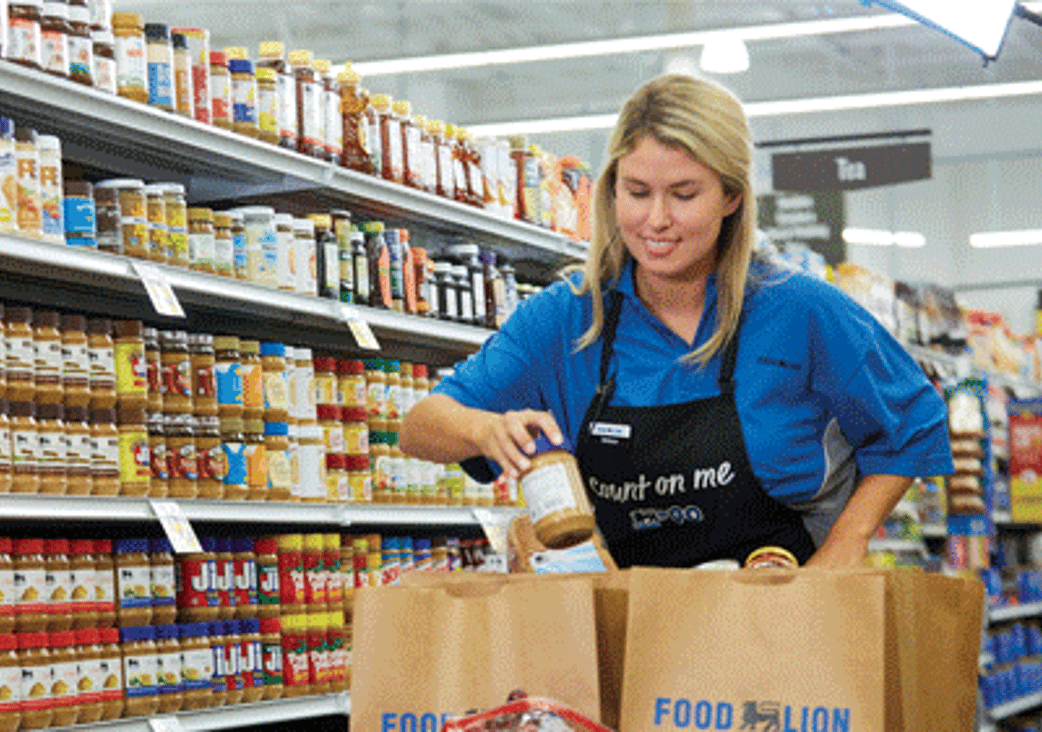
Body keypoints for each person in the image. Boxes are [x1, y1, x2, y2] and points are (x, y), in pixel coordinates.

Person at [400, 73, 953, 569]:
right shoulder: (568, 318)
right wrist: (482, 428)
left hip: (785, 626)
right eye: (636, 192)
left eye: (684, 194)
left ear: (732, 195)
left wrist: (847, 543)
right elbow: (419, 426)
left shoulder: (800, 310)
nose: (656, 220)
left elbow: (915, 422)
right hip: (634, 637)